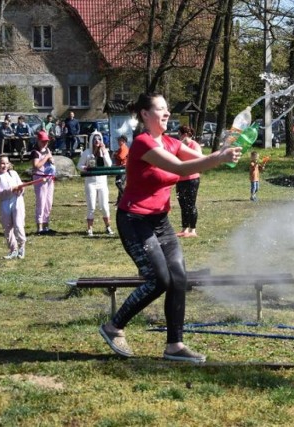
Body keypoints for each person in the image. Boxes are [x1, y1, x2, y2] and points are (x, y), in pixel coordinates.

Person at [98, 93, 241, 362]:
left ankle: (174, 345)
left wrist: (225, 147)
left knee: (178, 279)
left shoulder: (170, 142)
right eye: (160, 109)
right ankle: (113, 327)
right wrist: (219, 158)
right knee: (158, 280)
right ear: (144, 114)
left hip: (160, 220)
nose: (166, 113)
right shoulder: (142, 144)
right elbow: (182, 167)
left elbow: (196, 160)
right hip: (134, 219)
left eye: (167, 109)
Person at [77, 131, 114, 236]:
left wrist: (104, 151)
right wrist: (86, 168)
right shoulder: (87, 153)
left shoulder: (104, 151)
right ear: (91, 140)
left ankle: (108, 227)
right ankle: (90, 229)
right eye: (95, 139)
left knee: (104, 206)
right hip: (91, 182)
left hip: (102, 182)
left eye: (99, 139)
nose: (97, 141)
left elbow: (109, 165)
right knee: (91, 206)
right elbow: (79, 165)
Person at [0, 155, 27, 259]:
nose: (5, 165)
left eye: (7, 163)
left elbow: (21, 186)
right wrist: (10, 189)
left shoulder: (13, 173)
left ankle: (21, 247)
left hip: (17, 202)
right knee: (7, 227)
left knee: (18, 225)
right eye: (2, 163)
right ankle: (13, 249)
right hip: (5, 204)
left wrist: (20, 190)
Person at [175, 126, 201, 237]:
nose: (178, 136)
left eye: (179, 134)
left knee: (191, 204)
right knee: (182, 204)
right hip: (180, 179)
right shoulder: (178, 145)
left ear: (184, 134)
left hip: (192, 179)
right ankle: (184, 228)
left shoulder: (194, 145)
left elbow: (199, 159)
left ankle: (193, 230)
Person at [31, 130, 57, 235]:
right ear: (38, 141)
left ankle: (46, 225)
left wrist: (51, 159)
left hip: (49, 178)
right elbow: (36, 166)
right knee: (41, 202)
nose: (45, 143)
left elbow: (51, 160)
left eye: (46, 141)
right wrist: (46, 157)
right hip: (40, 178)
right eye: (43, 141)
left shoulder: (47, 149)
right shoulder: (35, 152)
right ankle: (39, 227)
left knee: (48, 202)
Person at [113, 135, 129, 205]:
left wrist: (115, 154)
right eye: (118, 140)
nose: (118, 142)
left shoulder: (124, 148)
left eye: (120, 140)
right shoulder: (120, 148)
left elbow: (121, 157)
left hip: (123, 168)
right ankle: (119, 201)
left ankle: (126, 198)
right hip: (119, 168)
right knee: (120, 184)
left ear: (123, 141)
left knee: (119, 183)